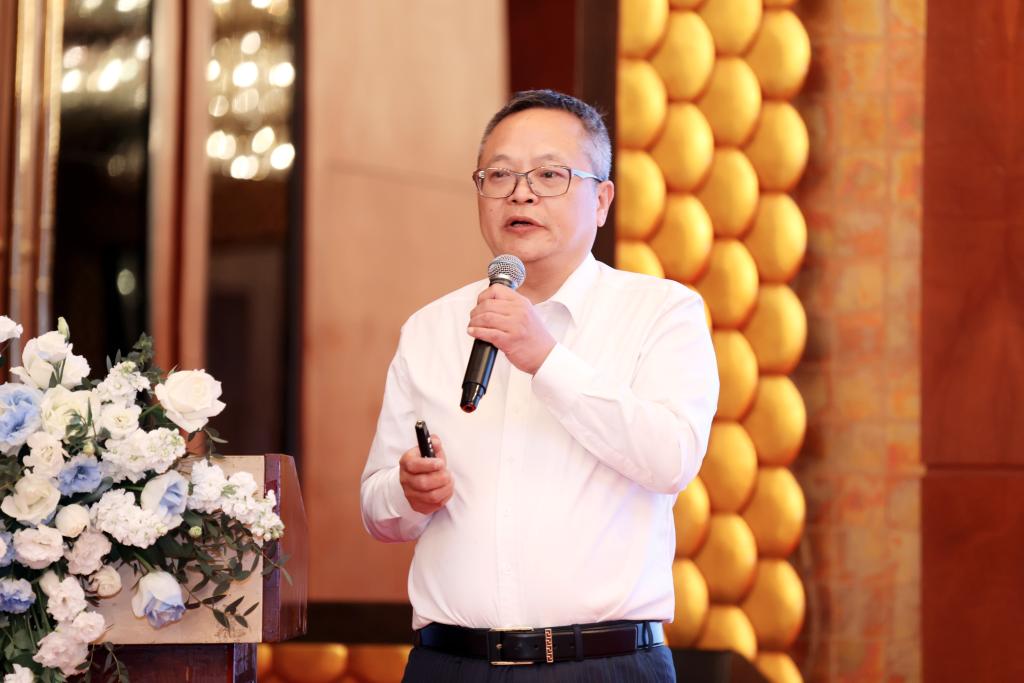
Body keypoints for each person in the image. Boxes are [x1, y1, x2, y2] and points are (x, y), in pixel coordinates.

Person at [360, 90, 719, 682]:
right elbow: (377, 511)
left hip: (604, 666)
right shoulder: (429, 328)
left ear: (601, 200)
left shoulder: (662, 312)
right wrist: (408, 493)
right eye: (498, 175)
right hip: (451, 665)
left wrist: (545, 358)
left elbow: (671, 459)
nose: (520, 193)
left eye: (550, 175)